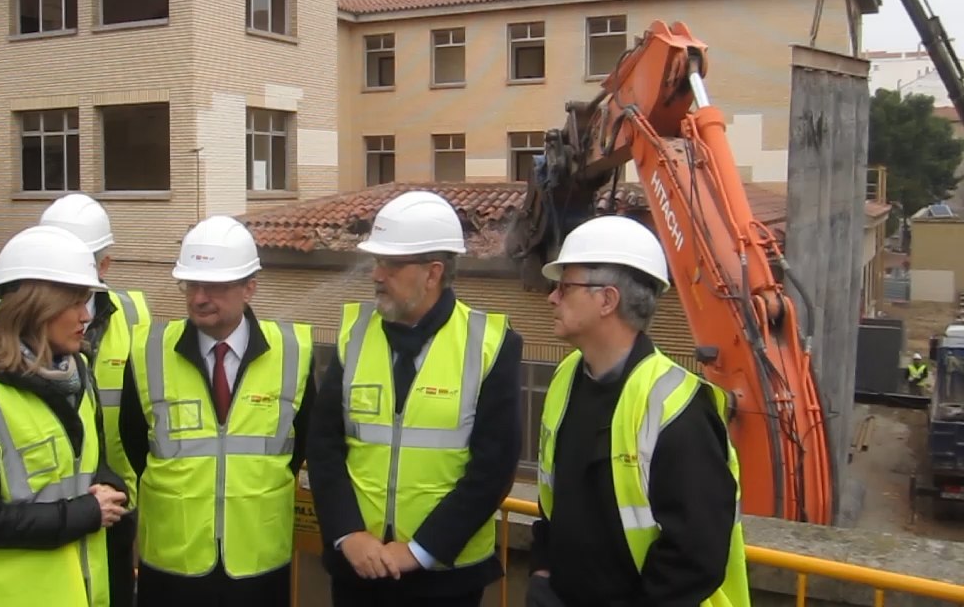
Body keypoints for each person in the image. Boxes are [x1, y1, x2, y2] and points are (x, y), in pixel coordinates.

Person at [307, 190, 524, 607]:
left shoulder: (491, 345)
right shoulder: (354, 334)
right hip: (358, 569)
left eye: (391, 263)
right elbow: (323, 447)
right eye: (376, 261)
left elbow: (493, 467)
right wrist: (348, 534)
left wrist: (419, 550)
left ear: (433, 273)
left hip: (446, 579)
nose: (376, 274)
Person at [527, 215, 749, 607]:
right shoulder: (565, 378)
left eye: (564, 287)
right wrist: (543, 571)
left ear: (607, 300)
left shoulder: (679, 407)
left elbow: (696, 557)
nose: (552, 297)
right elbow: (555, 501)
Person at [0, 225, 130, 607]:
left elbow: (89, 466)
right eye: (75, 303)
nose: (86, 316)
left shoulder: (77, 374)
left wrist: (112, 489)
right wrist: (85, 513)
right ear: (35, 308)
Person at [118, 215, 316, 607]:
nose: (199, 297)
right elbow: (134, 440)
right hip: (173, 563)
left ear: (250, 287)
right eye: (191, 284)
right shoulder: (147, 351)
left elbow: (300, 444)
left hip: (258, 562)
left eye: (214, 285)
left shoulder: (293, 353)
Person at [0, 192, 150, 607]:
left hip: (106, 505)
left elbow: (135, 418)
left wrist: (115, 490)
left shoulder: (132, 313)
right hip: (34, 528)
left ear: (104, 266)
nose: (82, 314)